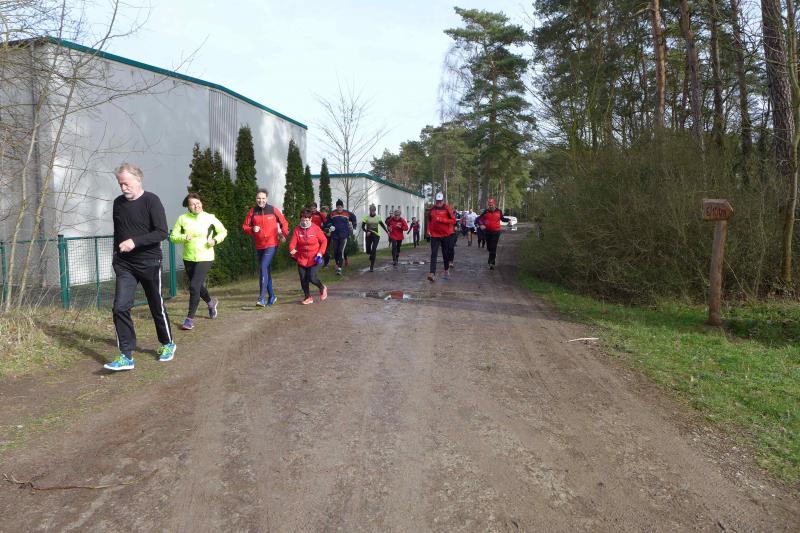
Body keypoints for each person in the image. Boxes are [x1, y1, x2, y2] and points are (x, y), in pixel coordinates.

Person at [104, 163, 175, 371]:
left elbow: (161, 232)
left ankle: (167, 343)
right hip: (125, 264)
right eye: (120, 184)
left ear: (138, 179)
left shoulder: (151, 201)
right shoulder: (118, 203)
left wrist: (134, 242)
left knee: (155, 304)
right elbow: (118, 231)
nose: (123, 187)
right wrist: (116, 256)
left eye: (126, 183)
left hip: (149, 262)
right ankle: (126, 355)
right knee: (120, 307)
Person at [170, 192, 227, 330]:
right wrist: (184, 237)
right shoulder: (182, 219)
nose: (196, 206)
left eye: (198, 203)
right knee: (197, 286)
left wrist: (215, 240)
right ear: (188, 207)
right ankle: (211, 303)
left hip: (205, 256)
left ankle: (189, 319)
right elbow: (173, 237)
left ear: (201, 203)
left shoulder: (210, 217)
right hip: (188, 257)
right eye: (192, 204)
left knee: (194, 287)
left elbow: (223, 231)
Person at [242, 188, 288, 306]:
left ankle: (261, 298)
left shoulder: (273, 210)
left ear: (266, 199)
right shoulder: (252, 211)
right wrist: (252, 229)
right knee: (265, 270)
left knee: (263, 267)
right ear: (256, 199)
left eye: (263, 198)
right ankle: (272, 296)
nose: (261, 200)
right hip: (259, 245)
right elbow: (245, 227)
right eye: (258, 198)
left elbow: (284, 223)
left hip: (272, 244)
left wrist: (283, 234)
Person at [289, 208, 329, 305]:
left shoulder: (316, 228)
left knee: (311, 277)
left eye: (306, 220)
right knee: (303, 279)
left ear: (311, 219)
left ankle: (322, 287)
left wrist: (320, 253)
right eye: (302, 220)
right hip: (302, 259)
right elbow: (292, 244)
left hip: (315, 258)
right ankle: (308, 297)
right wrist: (292, 249)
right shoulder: (297, 230)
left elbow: (324, 241)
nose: (304, 222)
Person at [425, 192, 456, 282]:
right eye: (437, 201)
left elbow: (453, 221)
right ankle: (432, 273)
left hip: (445, 235)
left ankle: (446, 269)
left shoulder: (447, 208)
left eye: (440, 201)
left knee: (445, 254)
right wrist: (428, 231)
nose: (438, 202)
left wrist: (442, 220)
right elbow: (429, 221)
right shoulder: (432, 209)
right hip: (435, 235)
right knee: (433, 253)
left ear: (443, 200)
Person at [324, 199, 357, 275]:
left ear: (342, 207)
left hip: (344, 235)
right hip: (335, 235)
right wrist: (330, 226)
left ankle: (339, 269)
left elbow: (354, 218)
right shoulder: (332, 213)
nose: (339, 208)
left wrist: (354, 227)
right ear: (336, 207)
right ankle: (337, 263)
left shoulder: (347, 213)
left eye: (340, 207)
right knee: (335, 252)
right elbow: (327, 222)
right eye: (338, 207)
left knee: (340, 251)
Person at [477, 198, 511, 270]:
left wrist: (508, 220)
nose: (490, 206)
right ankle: (493, 255)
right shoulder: (486, 211)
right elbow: (479, 219)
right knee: (489, 247)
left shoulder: (499, 211)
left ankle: (491, 263)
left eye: (491, 205)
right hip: (487, 231)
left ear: (494, 204)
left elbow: (502, 219)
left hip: (496, 232)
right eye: (489, 205)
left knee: (493, 246)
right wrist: (481, 225)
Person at [362, 204, 388, 272]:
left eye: (373, 211)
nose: (372, 212)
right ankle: (371, 254)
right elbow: (362, 227)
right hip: (369, 235)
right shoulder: (366, 218)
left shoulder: (378, 217)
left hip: (376, 235)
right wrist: (366, 231)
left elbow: (382, 225)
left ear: (375, 211)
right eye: (371, 211)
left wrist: (387, 232)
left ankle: (371, 266)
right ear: (370, 211)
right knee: (368, 251)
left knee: (374, 249)